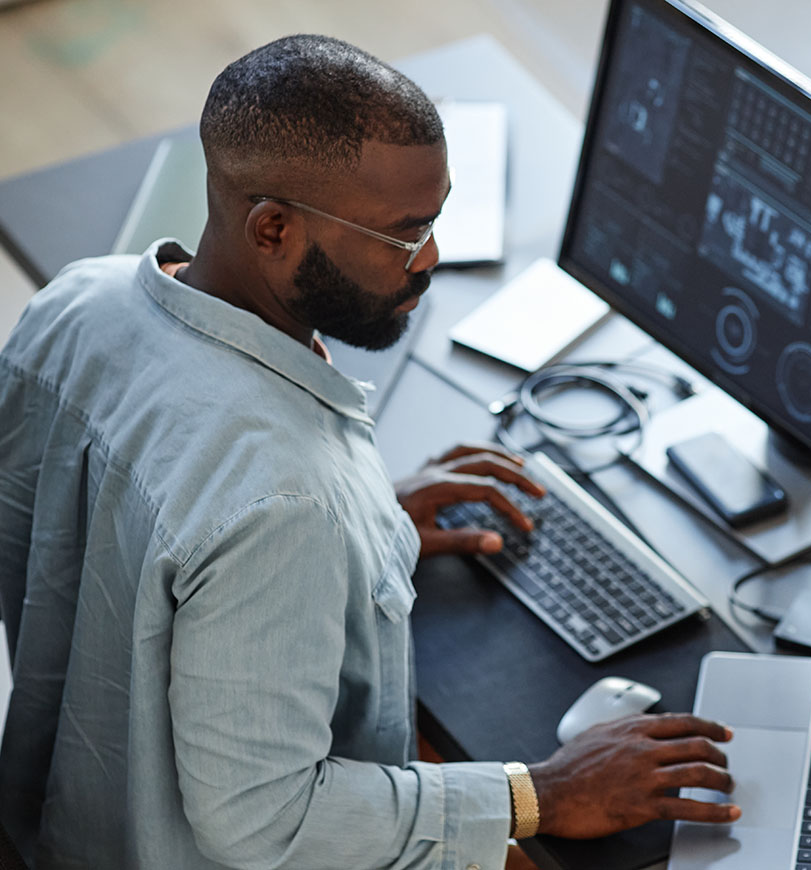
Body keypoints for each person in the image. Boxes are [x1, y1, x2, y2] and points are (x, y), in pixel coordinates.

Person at [0, 35, 740, 870]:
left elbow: (139, 532)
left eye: (436, 216)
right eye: (402, 234)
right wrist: (542, 794)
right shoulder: (284, 503)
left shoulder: (75, 302)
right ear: (272, 228)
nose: (429, 259)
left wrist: (364, 527)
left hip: (54, 813)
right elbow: (262, 822)